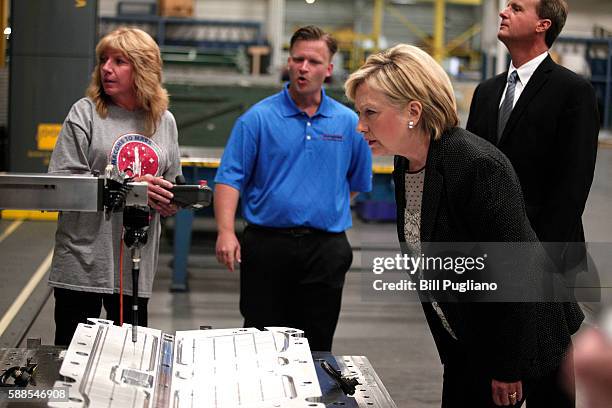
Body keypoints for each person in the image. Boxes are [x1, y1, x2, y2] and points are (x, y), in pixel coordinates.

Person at [345, 44, 583, 407]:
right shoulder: (407, 164)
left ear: (413, 111)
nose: (360, 125)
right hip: (466, 341)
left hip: (524, 347)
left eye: (370, 113)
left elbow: (514, 274)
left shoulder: (475, 166)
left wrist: (506, 367)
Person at [214, 25, 372, 352]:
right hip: (266, 246)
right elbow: (230, 178)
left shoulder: (349, 123)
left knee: (317, 341)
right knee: (260, 341)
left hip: (326, 250)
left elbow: (355, 184)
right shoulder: (257, 119)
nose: (304, 67)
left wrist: (319, 205)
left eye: (314, 61)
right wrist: (226, 231)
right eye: (298, 59)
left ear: (329, 70)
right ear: (288, 63)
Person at [48, 27, 181, 346]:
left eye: (120, 61)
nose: (106, 68)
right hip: (83, 262)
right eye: (104, 60)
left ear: (144, 68)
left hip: (135, 265)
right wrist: (132, 187)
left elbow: (171, 183)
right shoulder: (86, 113)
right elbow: (62, 182)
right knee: (72, 362)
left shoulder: (164, 121)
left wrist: (169, 200)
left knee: (131, 362)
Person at [466, 0, 599, 273]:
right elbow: (470, 170)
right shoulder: (486, 92)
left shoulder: (573, 92)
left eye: (515, 8)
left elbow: (573, 184)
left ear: (543, 25)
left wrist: (541, 258)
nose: (503, 12)